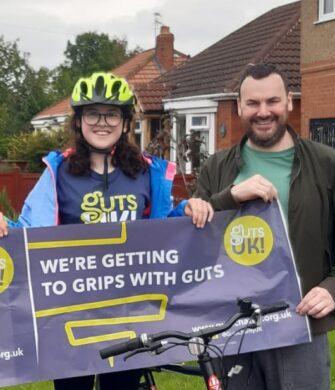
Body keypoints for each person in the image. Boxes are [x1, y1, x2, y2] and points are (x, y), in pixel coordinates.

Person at [0, 71, 213, 389]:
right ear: (79, 121)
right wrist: (4, 224)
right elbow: (31, 230)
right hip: (71, 314)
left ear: (126, 122)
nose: (102, 122)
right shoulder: (58, 172)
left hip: (129, 312)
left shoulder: (146, 171)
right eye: (92, 113)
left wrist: (188, 210)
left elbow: (162, 226)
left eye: (112, 113)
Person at [193, 63, 335, 389]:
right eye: (253, 103)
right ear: (239, 107)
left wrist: (334, 288)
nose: (263, 112)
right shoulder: (216, 168)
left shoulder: (327, 164)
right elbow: (194, 238)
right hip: (233, 330)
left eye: (273, 101)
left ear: (289, 102)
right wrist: (229, 197)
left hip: (299, 324)